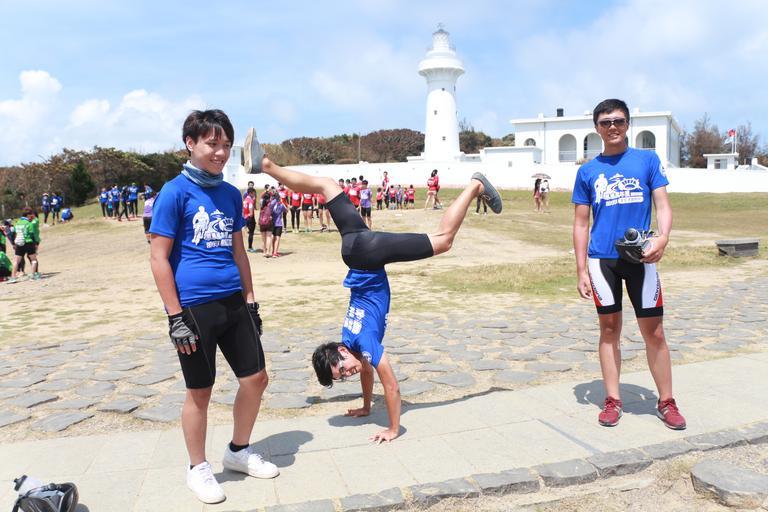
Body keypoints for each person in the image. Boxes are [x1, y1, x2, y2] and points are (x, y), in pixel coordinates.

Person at [242, 127, 502, 443]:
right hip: (354, 249)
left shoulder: (364, 342)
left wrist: (393, 429)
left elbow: (391, 385)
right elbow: (365, 369)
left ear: (341, 351)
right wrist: (366, 406)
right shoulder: (349, 339)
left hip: (368, 253)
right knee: (326, 185)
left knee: (443, 240)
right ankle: (265, 164)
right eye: (343, 376)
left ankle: (475, 185)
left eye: (341, 370)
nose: (347, 373)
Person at [149, 110, 278, 504]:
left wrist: (250, 300)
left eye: (226, 145)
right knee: (200, 392)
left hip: (233, 301)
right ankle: (198, 468)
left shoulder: (230, 194)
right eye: (212, 144)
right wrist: (175, 317)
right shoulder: (174, 192)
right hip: (193, 308)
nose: (220, 152)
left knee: (256, 379)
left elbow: (239, 251)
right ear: (190, 143)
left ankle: (238, 450)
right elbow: (158, 257)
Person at [572, 98, 685, 431]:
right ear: (597, 128)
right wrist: (580, 269)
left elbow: (662, 205)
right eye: (605, 122)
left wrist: (662, 238)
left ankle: (666, 401)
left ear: (627, 124)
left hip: (641, 258)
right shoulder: (587, 171)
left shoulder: (647, 160)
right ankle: (612, 399)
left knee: (655, 332)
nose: (612, 127)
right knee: (609, 331)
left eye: (618, 121)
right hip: (601, 261)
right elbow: (581, 223)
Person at [10, 207, 40, 282]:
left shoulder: (17, 223)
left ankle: (13, 277)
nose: (31, 216)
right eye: (31, 215)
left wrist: (13, 243)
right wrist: (36, 243)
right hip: (28, 242)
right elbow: (32, 234)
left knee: (16, 261)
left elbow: (13, 233)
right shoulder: (29, 223)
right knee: (33, 260)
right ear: (28, 215)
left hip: (19, 243)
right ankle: (33, 276)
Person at [257, 189, 273, 255]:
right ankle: (268, 252)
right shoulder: (271, 204)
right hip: (269, 222)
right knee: (269, 237)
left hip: (262, 222)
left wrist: (265, 191)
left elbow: (261, 196)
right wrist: (270, 192)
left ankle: (264, 252)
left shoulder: (262, 204)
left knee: (263, 239)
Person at [242, 187, 257, 253]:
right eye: (254, 193)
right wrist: (250, 214)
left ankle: (249, 247)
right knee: (251, 233)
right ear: (251, 193)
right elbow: (251, 210)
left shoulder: (245, 200)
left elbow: (243, 209)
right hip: (250, 218)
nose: (254, 194)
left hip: (245, 218)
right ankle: (250, 247)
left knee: (249, 233)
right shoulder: (250, 200)